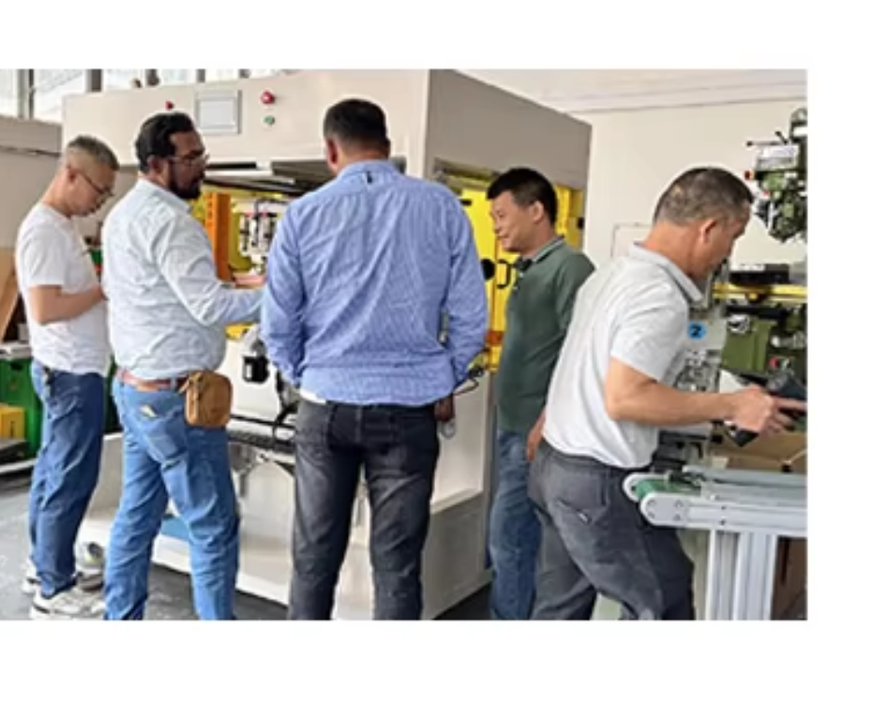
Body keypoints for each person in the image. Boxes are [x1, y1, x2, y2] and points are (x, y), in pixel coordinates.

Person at [528, 166, 807, 620]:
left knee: (560, 610)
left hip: (555, 463)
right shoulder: (657, 295)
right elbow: (626, 398)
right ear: (708, 228)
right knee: (664, 601)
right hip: (596, 481)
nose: (728, 253)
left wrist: (547, 421)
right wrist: (733, 405)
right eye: (733, 238)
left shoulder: (612, 274)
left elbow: (582, 366)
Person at [261, 98, 488, 620]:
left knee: (314, 559)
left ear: (330, 150)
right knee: (397, 565)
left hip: (325, 406)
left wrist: (306, 376)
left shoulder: (302, 215)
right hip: (409, 411)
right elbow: (470, 317)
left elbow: (278, 322)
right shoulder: (441, 208)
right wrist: (442, 377)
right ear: (388, 147)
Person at [100, 111, 263, 620]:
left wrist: (238, 286)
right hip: (177, 400)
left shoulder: (122, 215)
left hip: (136, 390)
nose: (201, 167)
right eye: (190, 158)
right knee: (213, 525)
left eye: (201, 155)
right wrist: (282, 296)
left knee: (138, 515)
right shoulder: (173, 223)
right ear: (156, 163)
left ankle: (120, 618)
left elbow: (169, 295)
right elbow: (210, 307)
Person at [15, 135, 120, 619]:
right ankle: (54, 590)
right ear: (71, 174)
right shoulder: (43, 232)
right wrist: (103, 290)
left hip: (73, 369)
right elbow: (45, 308)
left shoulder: (61, 226)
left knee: (53, 471)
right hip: (71, 372)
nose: (101, 200)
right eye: (99, 189)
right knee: (70, 480)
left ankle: (43, 566)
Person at [485, 168, 594, 620]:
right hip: (514, 427)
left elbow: (580, 353)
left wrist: (546, 421)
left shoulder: (570, 268)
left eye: (501, 215)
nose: (496, 227)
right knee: (514, 541)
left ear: (536, 210)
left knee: (509, 539)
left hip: (536, 434)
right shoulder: (530, 270)